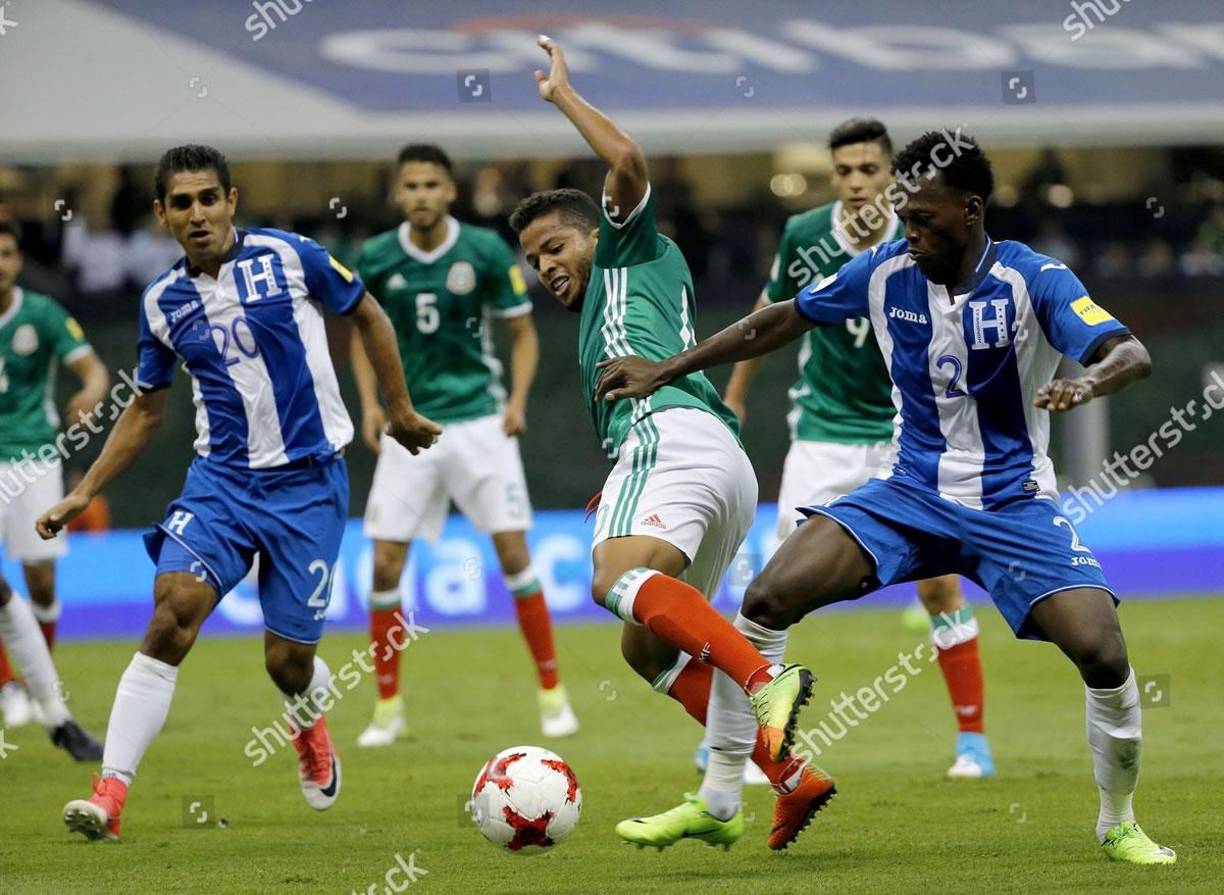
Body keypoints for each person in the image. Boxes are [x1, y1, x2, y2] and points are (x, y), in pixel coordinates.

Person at [595, 131, 1175, 865]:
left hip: (1012, 504)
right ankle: (719, 797)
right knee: (766, 597)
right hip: (908, 495)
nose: (910, 233)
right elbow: (780, 317)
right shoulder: (885, 269)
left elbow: (1130, 352)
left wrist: (1086, 383)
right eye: (905, 217)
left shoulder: (1034, 278)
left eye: (925, 219)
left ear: (970, 211)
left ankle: (1118, 821)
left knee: (1102, 650)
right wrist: (669, 367)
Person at [37, 144, 440, 842]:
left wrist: (399, 409)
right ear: (161, 213)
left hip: (309, 485)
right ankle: (110, 793)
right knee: (171, 614)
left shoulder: (291, 257)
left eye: (208, 199)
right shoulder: (161, 302)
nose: (198, 214)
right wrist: (86, 489)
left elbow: (369, 314)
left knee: (288, 663)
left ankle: (307, 722)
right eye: (182, 203)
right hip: (220, 483)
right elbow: (146, 409)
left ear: (232, 200)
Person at [509, 36, 828, 852]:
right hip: (717, 462)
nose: (545, 266)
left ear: (596, 233)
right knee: (646, 643)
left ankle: (763, 678)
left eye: (555, 246)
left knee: (612, 578)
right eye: (534, 258)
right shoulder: (628, 294)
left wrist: (561, 97)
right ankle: (776, 778)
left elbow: (625, 159)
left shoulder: (626, 250)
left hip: (671, 435)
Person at [718, 118, 993, 780]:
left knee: (938, 584)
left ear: (891, 178)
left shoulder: (921, 234)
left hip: (905, 437)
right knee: (774, 588)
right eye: (843, 171)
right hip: (822, 431)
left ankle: (973, 741)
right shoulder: (805, 236)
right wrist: (735, 394)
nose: (855, 183)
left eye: (869, 170)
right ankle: (748, 740)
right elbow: (769, 310)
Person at [352, 143, 576, 745]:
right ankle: (387, 708)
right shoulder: (375, 256)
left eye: (431, 184)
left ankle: (553, 694)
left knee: (514, 556)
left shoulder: (484, 250)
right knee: (384, 564)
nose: (421, 195)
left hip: (480, 423)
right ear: (397, 192)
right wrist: (371, 404)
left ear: (450, 190)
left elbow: (523, 334)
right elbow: (361, 335)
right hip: (409, 425)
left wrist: (517, 401)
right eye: (411, 185)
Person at [0, 220, 106, 759]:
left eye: (7, 253)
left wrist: (90, 393)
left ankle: (38, 688)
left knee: (39, 579)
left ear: (19, 260)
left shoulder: (41, 313)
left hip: (35, 458)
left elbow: (94, 371)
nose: (0, 264)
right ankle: (9, 687)